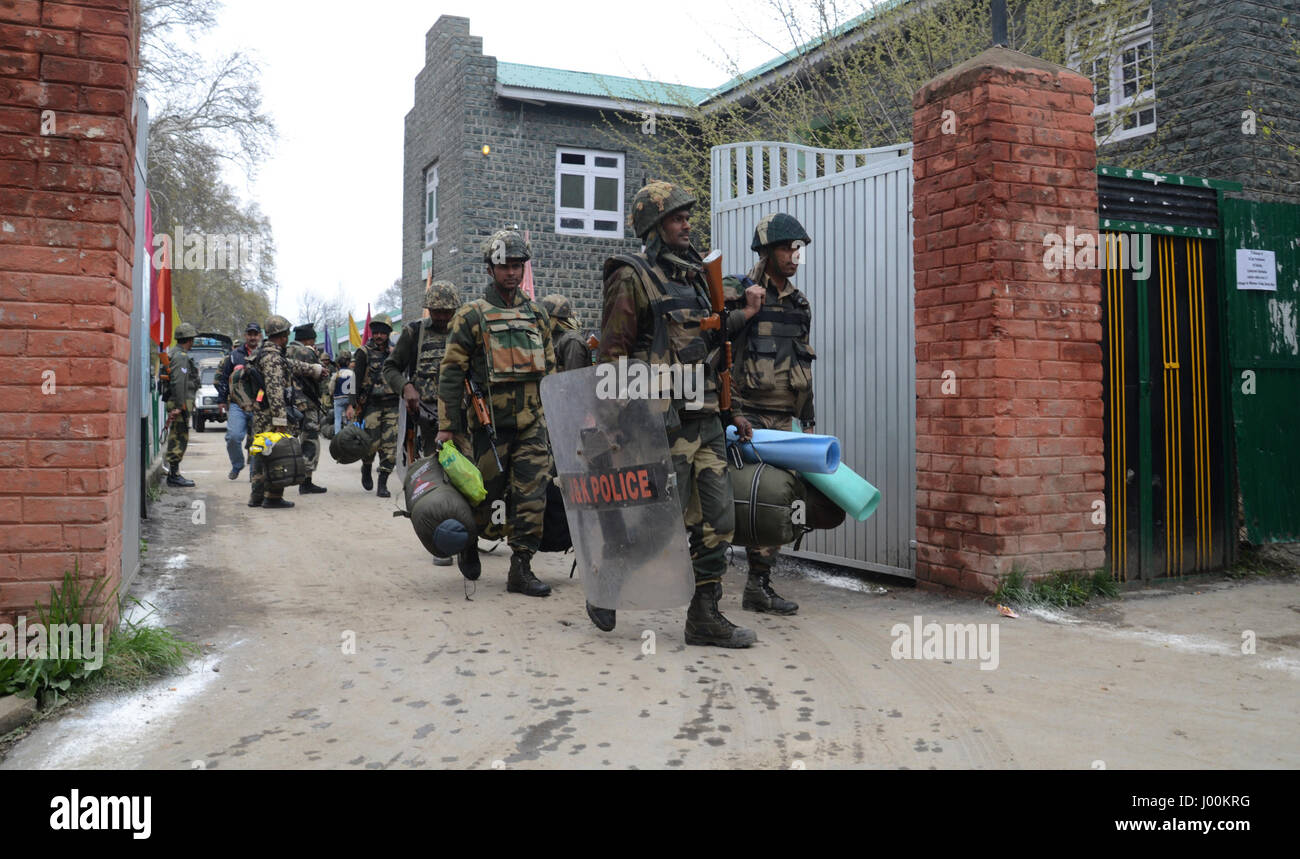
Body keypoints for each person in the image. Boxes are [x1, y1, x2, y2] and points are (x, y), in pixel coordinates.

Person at [592, 180, 758, 648]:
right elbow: (613, 358)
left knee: (719, 521)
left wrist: (732, 412)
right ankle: (609, 579)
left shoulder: (695, 279)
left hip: (704, 419)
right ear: (654, 225)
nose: (688, 224)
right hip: (658, 423)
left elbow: (712, 352)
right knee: (658, 528)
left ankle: (704, 615)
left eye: (688, 217)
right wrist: (614, 426)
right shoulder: (632, 277)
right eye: (677, 217)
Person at [436, 228, 556, 596]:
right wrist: (447, 427)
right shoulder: (470, 316)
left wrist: (560, 420)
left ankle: (521, 566)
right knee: (484, 496)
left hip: (531, 425)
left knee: (533, 494)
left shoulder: (537, 314)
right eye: (504, 265)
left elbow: (551, 370)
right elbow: (451, 373)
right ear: (490, 268)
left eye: (518, 265)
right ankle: (470, 542)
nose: (512, 273)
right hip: (486, 425)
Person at [724, 212, 817, 616]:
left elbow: (805, 363)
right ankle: (705, 583)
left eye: (798, 249)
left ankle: (758, 585)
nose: (794, 256)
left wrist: (808, 420)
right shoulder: (738, 291)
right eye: (786, 248)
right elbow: (716, 343)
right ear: (765, 251)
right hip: (745, 418)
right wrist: (746, 309)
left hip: (783, 419)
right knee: (733, 498)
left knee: (778, 502)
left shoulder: (799, 304)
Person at [248, 315, 327, 509]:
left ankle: (257, 496)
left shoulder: (265, 353)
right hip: (271, 416)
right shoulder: (274, 358)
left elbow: (291, 365)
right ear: (282, 335)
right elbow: (275, 389)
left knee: (260, 453)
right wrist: (280, 420)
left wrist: (314, 369)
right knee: (277, 453)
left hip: (261, 413)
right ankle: (273, 497)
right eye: (285, 334)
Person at [385, 280, 460, 458]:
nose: (442, 317)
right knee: (436, 473)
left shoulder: (464, 330)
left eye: (446, 311)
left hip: (464, 417)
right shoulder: (415, 332)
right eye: (436, 311)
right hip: (430, 420)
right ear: (428, 309)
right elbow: (390, 367)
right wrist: (406, 387)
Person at [348, 313, 398, 498]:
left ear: (388, 334)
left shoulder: (394, 353)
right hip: (370, 405)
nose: (378, 336)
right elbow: (356, 379)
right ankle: (366, 466)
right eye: (375, 332)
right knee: (371, 444)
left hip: (392, 404)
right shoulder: (363, 352)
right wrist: (351, 404)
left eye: (382, 333)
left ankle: (383, 483)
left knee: (390, 446)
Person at [216, 322, 262, 480]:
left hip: (259, 405)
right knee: (233, 437)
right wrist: (221, 400)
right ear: (245, 336)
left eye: (255, 334)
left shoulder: (264, 354)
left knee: (258, 441)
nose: (252, 337)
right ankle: (237, 464)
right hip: (237, 404)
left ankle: (253, 473)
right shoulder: (235, 355)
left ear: (260, 336)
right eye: (250, 334)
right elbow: (223, 378)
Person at [286, 324, 328, 494]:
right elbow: (321, 376)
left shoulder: (284, 351)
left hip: (287, 403)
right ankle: (306, 481)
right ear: (309, 339)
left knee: (287, 439)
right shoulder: (307, 352)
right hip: (307, 403)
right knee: (309, 440)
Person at [164, 322, 200, 487]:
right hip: (180, 403)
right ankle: (174, 475)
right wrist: (179, 406)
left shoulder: (177, 354)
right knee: (178, 438)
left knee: (178, 436)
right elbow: (179, 382)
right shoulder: (180, 356)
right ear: (189, 339)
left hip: (180, 403)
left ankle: (174, 473)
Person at [540, 293, 592, 372]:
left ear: (552, 319)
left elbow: (574, 378)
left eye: (543, 317)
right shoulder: (552, 337)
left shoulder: (572, 341)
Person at [332, 350, 354, 435]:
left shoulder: (337, 374)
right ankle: (349, 436)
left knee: (337, 419)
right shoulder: (352, 373)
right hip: (349, 398)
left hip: (338, 399)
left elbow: (331, 387)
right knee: (349, 418)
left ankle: (337, 437)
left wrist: (331, 394)